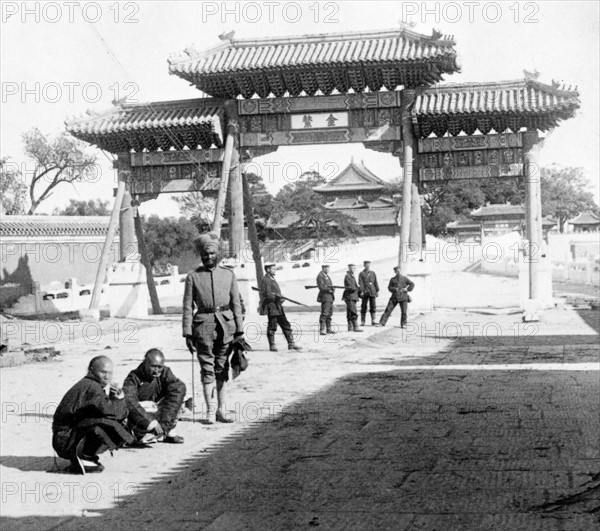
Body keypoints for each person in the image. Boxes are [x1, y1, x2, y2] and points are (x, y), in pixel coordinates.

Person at [182, 232, 244, 424]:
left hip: (226, 326)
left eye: (211, 254)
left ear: (217, 255)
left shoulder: (228, 275)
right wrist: (187, 333)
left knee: (222, 367)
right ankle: (210, 410)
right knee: (207, 368)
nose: (208, 258)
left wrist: (239, 330)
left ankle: (221, 410)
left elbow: (236, 304)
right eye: (205, 255)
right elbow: (187, 306)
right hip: (203, 327)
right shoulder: (193, 277)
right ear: (201, 256)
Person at [52, 356, 133, 474]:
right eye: (103, 372)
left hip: (64, 437)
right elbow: (112, 413)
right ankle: (84, 457)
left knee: (106, 422)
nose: (107, 377)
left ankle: (85, 456)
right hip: (65, 440)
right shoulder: (92, 387)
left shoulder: (88, 384)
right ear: (91, 370)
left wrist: (113, 398)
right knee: (109, 425)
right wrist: (120, 400)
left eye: (110, 373)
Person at [123, 348, 186, 444]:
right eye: (153, 366)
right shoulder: (133, 377)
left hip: (161, 414)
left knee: (180, 397)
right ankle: (140, 434)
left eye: (159, 367)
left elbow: (178, 388)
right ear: (145, 363)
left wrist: (164, 424)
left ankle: (168, 432)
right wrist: (150, 422)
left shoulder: (165, 373)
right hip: (143, 415)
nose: (156, 371)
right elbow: (130, 401)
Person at [260, 262, 302, 352]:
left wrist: (280, 297)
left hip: (278, 306)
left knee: (285, 324)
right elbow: (268, 294)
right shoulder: (266, 280)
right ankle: (272, 345)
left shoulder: (272, 278)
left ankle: (291, 344)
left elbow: (273, 293)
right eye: (273, 268)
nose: (275, 270)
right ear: (268, 270)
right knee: (272, 326)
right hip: (272, 307)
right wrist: (278, 297)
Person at [342, 263, 362, 332]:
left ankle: (350, 327)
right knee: (353, 311)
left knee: (350, 311)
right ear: (349, 269)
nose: (354, 269)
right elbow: (351, 287)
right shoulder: (348, 276)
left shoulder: (352, 276)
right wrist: (357, 288)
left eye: (354, 268)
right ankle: (355, 327)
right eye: (352, 268)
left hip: (352, 296)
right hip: (350, 296)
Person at [359, 260, 379, 326]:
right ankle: (362, 321)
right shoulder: (361, 273)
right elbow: (360, 283)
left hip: (372, 291)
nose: (367, 266)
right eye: (366, 265)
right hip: (365, 291)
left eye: (369, 265)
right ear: (364, 265)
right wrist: (361, 291)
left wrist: (377, 290)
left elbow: (375, 282)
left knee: (373, 306)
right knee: (363, 306)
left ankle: (373, 320)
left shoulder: (373, 273)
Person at [316, 264, 335, 335]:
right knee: (324, 313)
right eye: (328, 268)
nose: (329, 270)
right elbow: (321, 287)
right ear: (324, 268)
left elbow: (331, 285)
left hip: (330, 297)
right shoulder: (320, 276)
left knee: (329, 313)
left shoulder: (327, 276)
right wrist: (329, 290)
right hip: (325, 297)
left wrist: (332, 289)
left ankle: (328, 328)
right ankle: (322, 329)